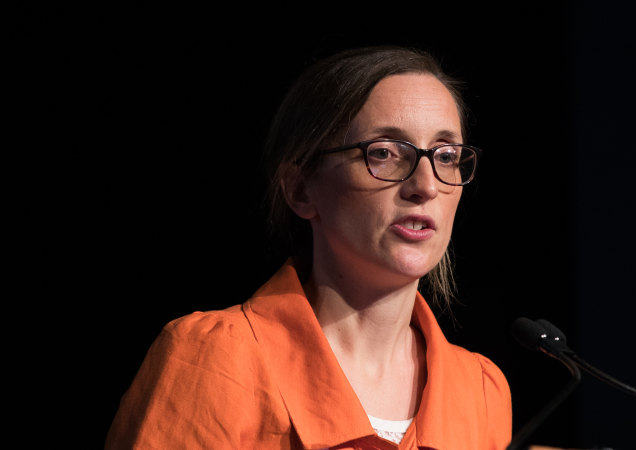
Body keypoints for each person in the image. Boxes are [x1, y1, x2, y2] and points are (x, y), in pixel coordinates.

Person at [105, 45, 512, 449]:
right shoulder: (213, 359)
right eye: (385, 152)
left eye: (446, 155)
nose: (425, 186)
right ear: (301, 190)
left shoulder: (481, 391)